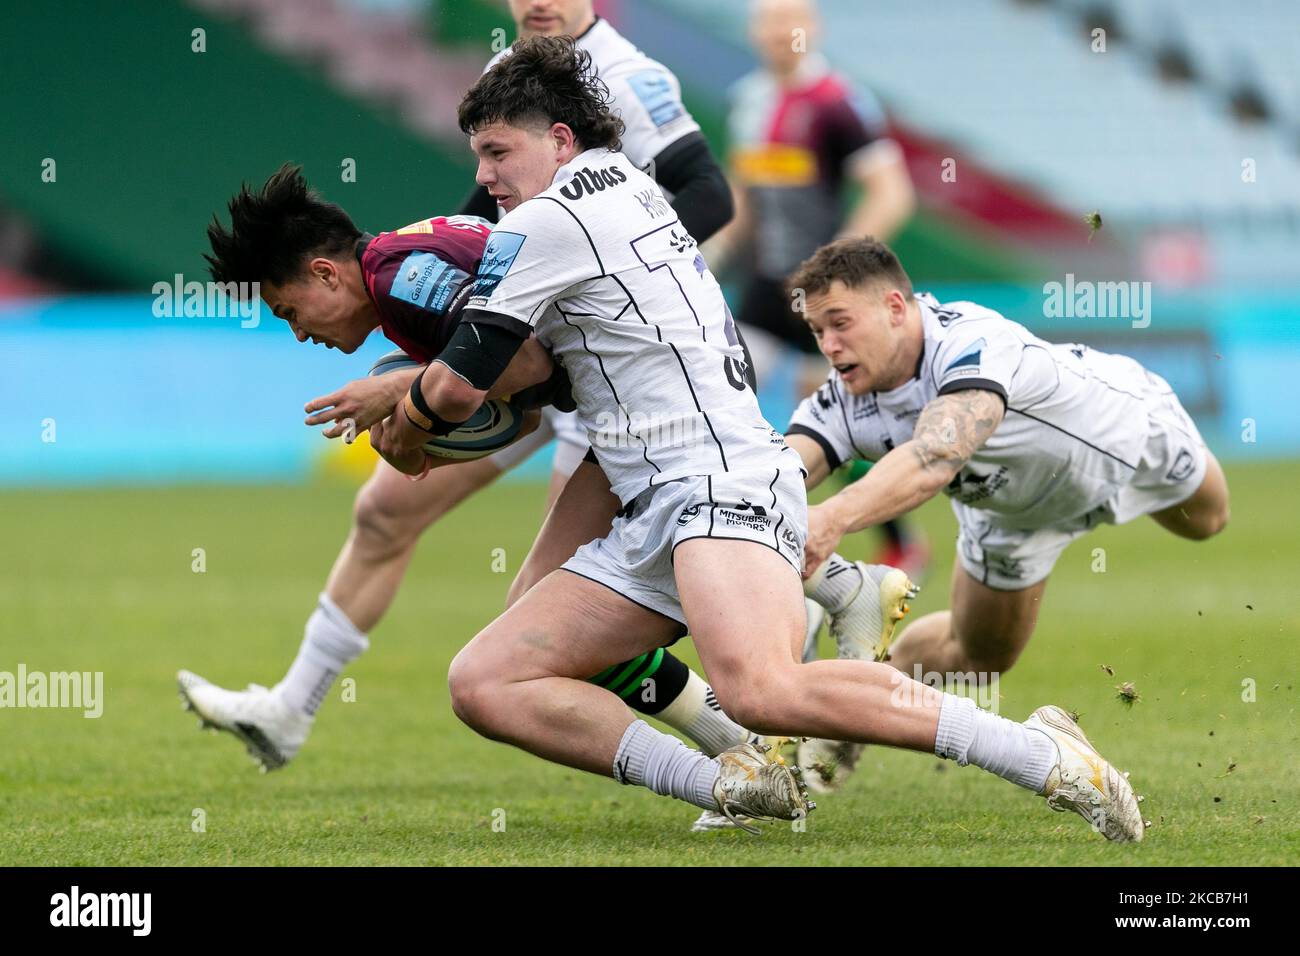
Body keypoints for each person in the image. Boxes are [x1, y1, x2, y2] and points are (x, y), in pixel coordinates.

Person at [370, 36, 1146, 841]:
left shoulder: (551, 220)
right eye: (480, 156)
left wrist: (408, 423)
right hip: (655, 495)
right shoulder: (628, 186)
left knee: (763, 688)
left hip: (714, 482)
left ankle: (1037, 751)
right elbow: (532, 364)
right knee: (488, 679)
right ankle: (736, 778)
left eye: (498, 152)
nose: (485, 176)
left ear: (559, 141)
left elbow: (467, 378)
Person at [176, 0, 754, 771]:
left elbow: (704, 201)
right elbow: (502, 336)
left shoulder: (632, 76)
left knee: (569, 613)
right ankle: (290, 709)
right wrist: (436, 384)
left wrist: (416, 396)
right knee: (404, 522)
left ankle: (776, 683)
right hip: (565, 372)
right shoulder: (495, 91)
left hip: (622, 375)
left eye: (289, 313)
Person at [782, 235, 1229, 789]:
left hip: (1122, 441)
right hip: (1010, 516)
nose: (828, 343)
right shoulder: (841, 400)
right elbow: (781, 475)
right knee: (979, 658)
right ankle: (854, 703)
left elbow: (935, 454)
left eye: (840, 323)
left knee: (1210, 521)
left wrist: (831, 519)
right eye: (817, 331)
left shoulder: (971, 338)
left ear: (895, 307)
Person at [714, 0, 927, 581]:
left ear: (814, 29)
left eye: (791, 21)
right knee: (720, 397)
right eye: (768, 21)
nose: (780, 33)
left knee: (831, 426)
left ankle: (894, 544)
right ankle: (736, 533)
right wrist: (712, 256)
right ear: (753, 30)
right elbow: (745, 198)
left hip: (825, 301)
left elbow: (892, 194)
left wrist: (834, 270)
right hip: (763, 288)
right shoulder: (749, 101)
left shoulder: (841, 101)